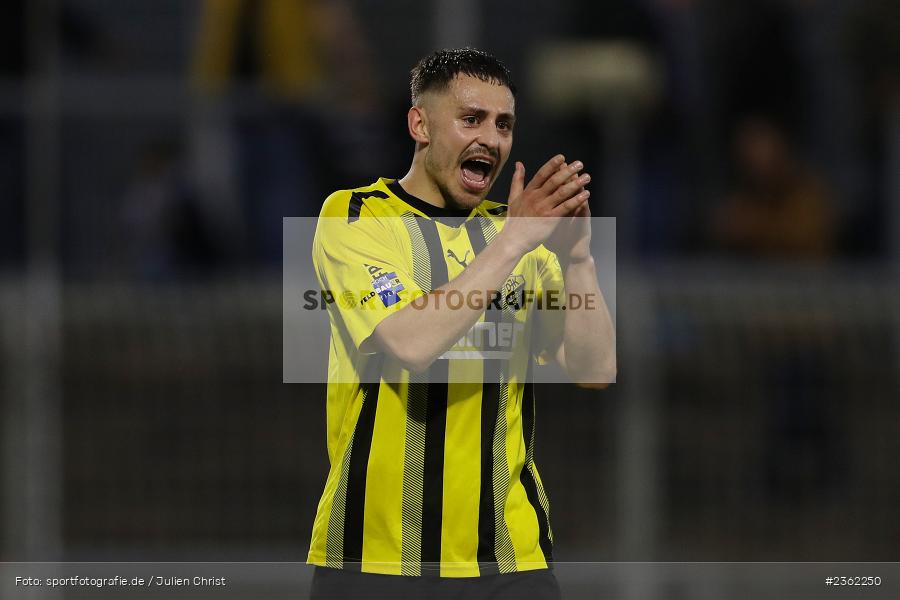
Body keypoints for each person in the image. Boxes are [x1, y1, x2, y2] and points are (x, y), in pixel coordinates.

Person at [307, 48, 616, 600]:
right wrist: (515, 241)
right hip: (375, 557)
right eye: (471, 119)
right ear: (419, 125)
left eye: (504, 125)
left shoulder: (518, 233)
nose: (490, 139)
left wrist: (577, 260)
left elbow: (594, 369)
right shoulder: (357, 216)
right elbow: (410, 342)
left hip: (509, 560)